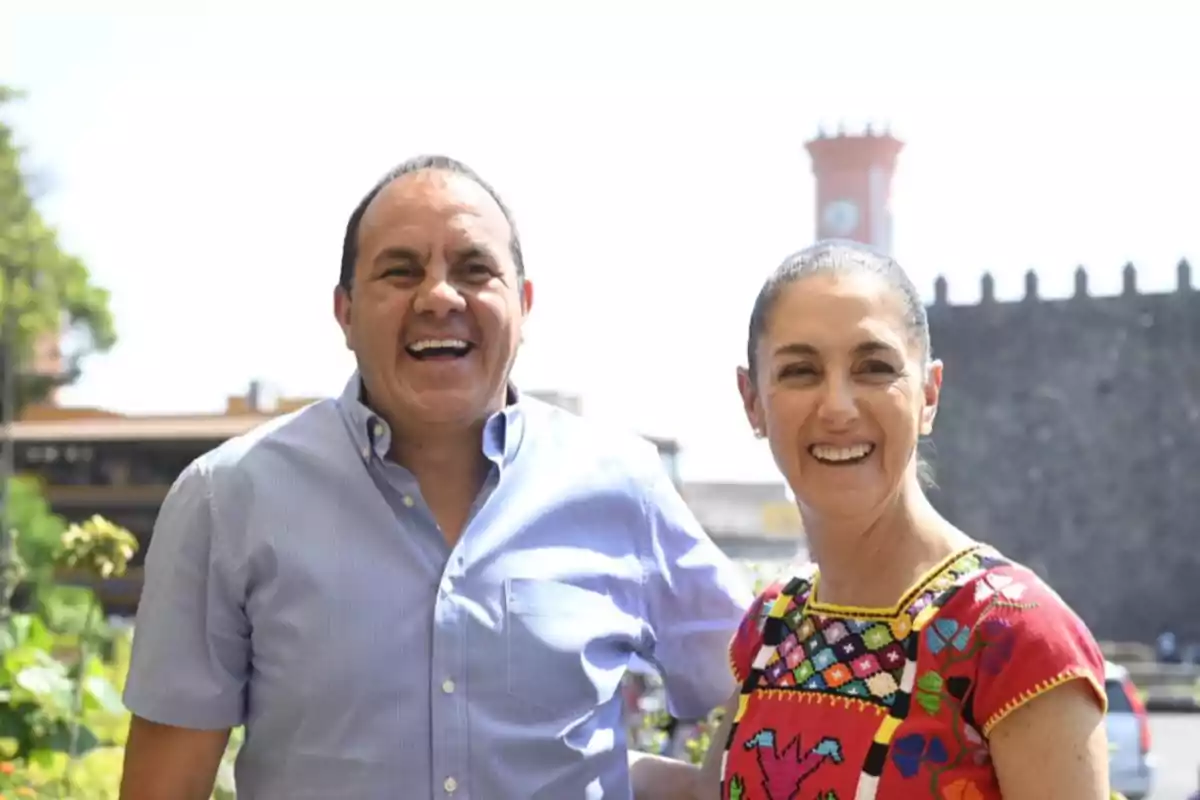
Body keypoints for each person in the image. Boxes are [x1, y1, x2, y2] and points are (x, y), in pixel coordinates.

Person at [119, 155, 751, 800]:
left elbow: (764, 679)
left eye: (475, 270)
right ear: (344, 311)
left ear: (524, 305)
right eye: (400, 271)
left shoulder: (624, 487)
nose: (440, 297)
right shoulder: (228, 499)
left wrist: (666, 782)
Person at [634, 241, 1111, 799]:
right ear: (752, 401)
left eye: (875, 368)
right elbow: (710, 793)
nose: (837, 406)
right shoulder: (774, 623)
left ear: (928, 395)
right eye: (800, 371)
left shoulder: (1014, 637)